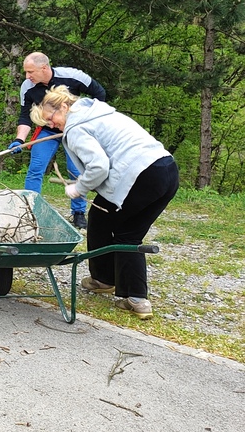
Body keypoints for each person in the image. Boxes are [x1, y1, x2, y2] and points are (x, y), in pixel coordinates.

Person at [31, 86, 179, 320]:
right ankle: (138, 300)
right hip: (167, 170)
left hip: (140, 176)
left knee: (100, 218)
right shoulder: (99, 112)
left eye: (51, 118)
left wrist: (78, 188)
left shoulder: (76, 127)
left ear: (65, 107)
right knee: (128, 235)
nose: (52, 124)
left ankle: (103, 279)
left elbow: (99, 166)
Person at [8, 52, 107, 229]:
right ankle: (30, 211)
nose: (27, 76)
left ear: (44, 68)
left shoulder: (73, 76)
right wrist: (19, 139)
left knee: (75, 170)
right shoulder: (28, 87)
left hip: (73, 130)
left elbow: (100, 95)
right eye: (26, 72)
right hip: (47, 131)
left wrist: (86, 121)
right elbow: (25, 117)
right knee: (36, 169)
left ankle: (78, 214)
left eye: (30, 72)